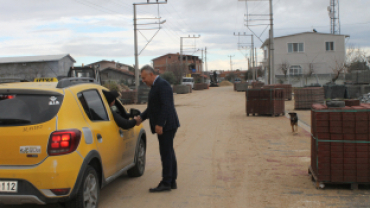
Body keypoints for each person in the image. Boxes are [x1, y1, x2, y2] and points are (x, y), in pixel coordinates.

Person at [136, 65, 180, 192]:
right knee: (168, 152)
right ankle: (171, 181)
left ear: (151, 74)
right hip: (166, 124)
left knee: (166, 153)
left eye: (144, 78)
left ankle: (166, 182)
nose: (143, 81)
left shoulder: (162, 85)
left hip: (167, 125)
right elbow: (152, 108)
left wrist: (160, 124)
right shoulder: (156, 86)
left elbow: (166, 106)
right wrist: (141, 118)